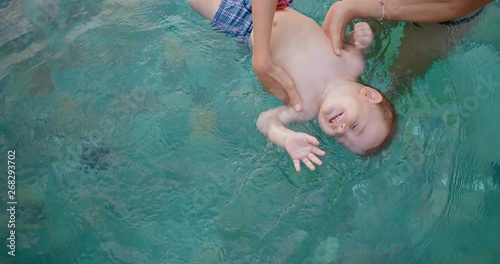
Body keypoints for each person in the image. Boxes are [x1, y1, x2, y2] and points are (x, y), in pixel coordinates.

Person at [189, 0, 397, 171]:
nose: (341, 130)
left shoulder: (304, 109)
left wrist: (285, 137)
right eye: (355, 126)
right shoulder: (354, 63)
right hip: (279, 5)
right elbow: (346, 41)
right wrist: (359, 36)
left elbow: (266, 120)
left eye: (342, 139)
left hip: (244, 26)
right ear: (368, 95)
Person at [252, 0, 494, 107]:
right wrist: (261, 56)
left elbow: (452, 5)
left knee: (393, 87)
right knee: (361, 48)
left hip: (446, 17)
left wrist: (360, 6)